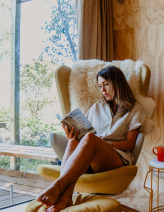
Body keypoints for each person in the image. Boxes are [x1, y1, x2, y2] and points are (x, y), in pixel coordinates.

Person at [36, 65, 147, 212]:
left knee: (90, 139)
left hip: (118, 157)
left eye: (106, 84)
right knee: (74, 141)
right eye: (100, 86)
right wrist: (72, 134)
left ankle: (57, 186)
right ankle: (66, 197)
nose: (102, 90)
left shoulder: (135, 109)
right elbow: (85, 133)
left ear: (117, 83)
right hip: (91, 153)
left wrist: (102, 143)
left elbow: (129, 144)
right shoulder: (96, 107)